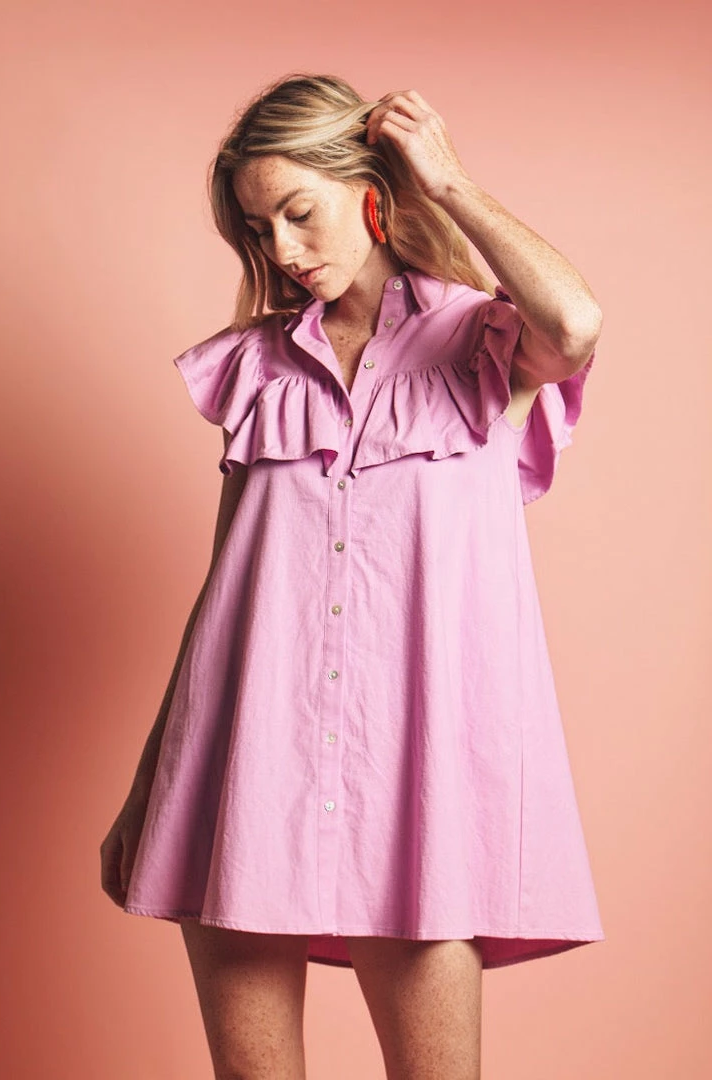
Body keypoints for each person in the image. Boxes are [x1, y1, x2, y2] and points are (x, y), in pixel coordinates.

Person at [100, 73, 605, 1080]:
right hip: (242, 770)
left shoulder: (481, 340)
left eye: (300, 212)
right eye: (259, 230)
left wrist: (447, 180)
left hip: (417, 784)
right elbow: (227, 590)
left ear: (372, 191)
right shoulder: (255, 367)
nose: (283, 250)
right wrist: (149, 780)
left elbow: (577, 322)